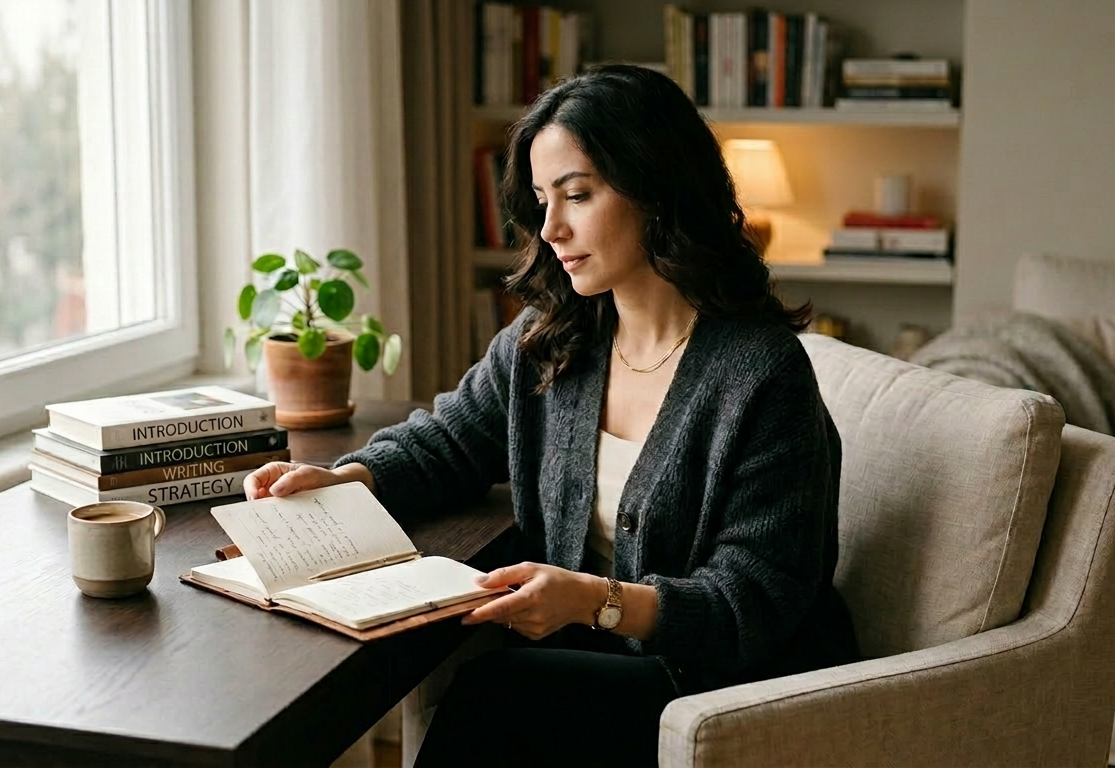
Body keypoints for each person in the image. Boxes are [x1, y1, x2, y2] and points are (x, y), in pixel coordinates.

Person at [242, 64, 860, 768]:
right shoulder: (555, 337)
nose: (552, 226)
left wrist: (595, 602)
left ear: (657, 189)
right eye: (541, 200)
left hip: (716, 690)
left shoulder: (761, 373)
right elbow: (449, 440)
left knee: (497, 696)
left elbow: (749, 603)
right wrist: (344, 479)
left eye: (578, 194)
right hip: (595, 657)